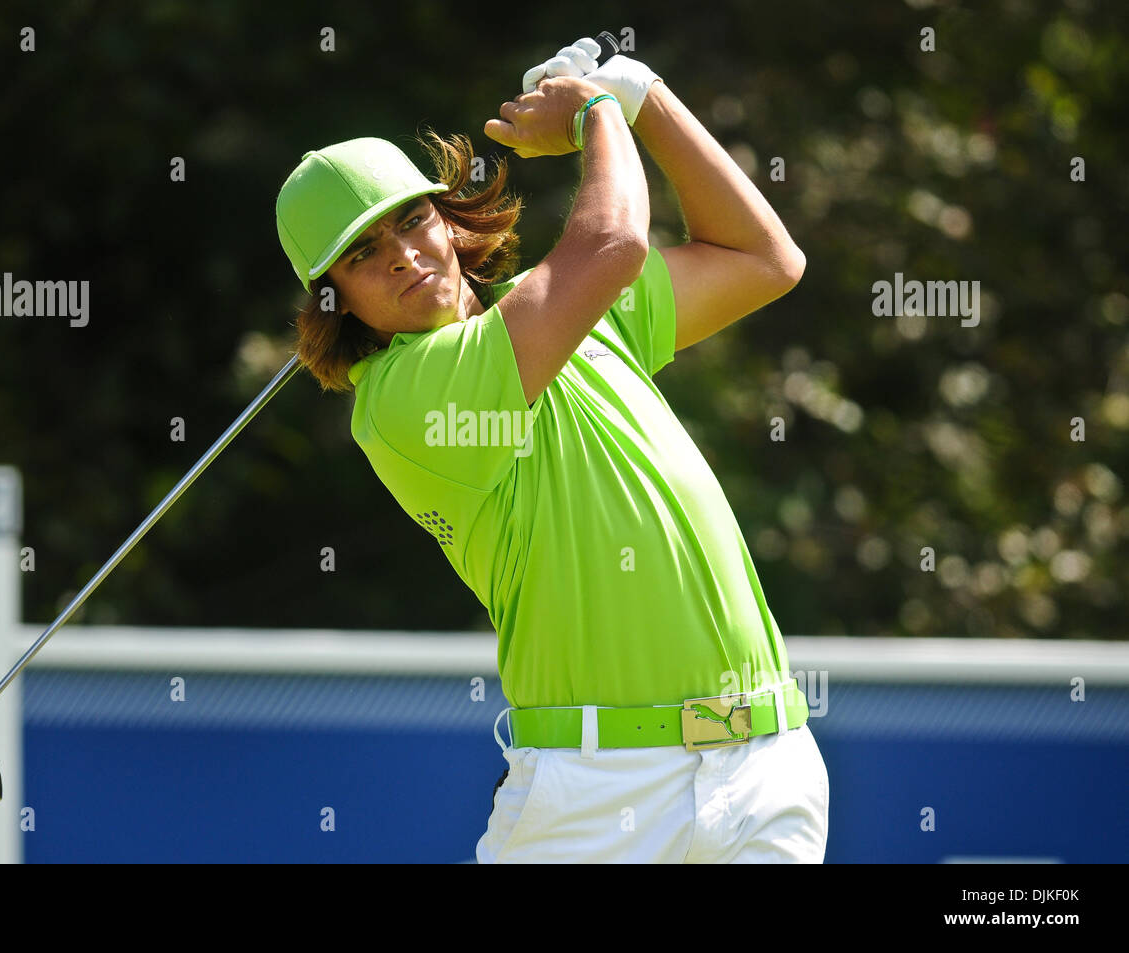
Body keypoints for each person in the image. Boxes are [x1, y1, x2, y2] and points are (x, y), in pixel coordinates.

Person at [275, 38, 828, 863]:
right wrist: (597, 115)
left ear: (449, 219)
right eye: (362, 254)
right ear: (336, 300)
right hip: (594, 796)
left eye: (412, 219)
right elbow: (611, 244)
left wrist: (645, 98)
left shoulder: (570, 317)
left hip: (764, 763)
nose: (402, 254)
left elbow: (763, 258)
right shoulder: (401, 397)